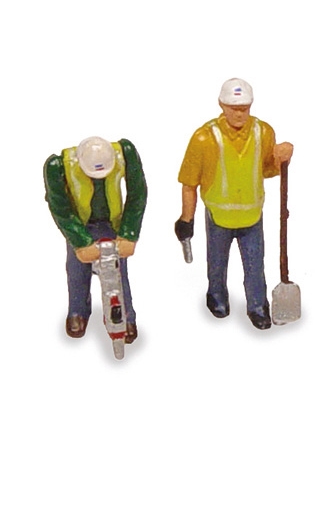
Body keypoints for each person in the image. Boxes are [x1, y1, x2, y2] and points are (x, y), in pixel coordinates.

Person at [176, 78, 293, 329]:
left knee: (255, 265)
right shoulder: (204, 138)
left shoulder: (263, 132)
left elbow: (268, 169)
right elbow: (189, 183)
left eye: (244, 108)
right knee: (217, 263)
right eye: (233, 108)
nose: (239, 114)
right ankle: (216, 296)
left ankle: (258, 306)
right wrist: (187, 218)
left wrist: (281, 157)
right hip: (218, 217)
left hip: (252, 217)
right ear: (221, 105)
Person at [44, 136, 147, 342]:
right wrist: (81, 242)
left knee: (119, 274)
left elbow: (138, 194)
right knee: (77, 271)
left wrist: (128, 234)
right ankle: (78, 311)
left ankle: (126, 317)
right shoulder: (59, 165)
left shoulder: (124, 154)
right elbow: (60, 208)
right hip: (80, 226)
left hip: (113, 225)